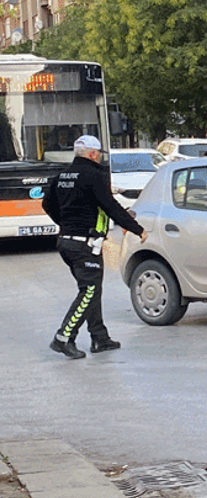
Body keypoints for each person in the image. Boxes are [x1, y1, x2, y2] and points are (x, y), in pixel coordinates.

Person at [42, 135, 148, 359]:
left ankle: (99, 337)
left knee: (92, 289)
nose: (100, 157)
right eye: (98, 153)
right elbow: (110, 205)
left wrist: (66, 223)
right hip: (85, 244)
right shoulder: (94, 175)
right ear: (92, 154)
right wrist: (136, 228)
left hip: (66, 242)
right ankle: (63, 337)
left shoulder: (60, 176)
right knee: (88, 291)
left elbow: (47, 204)